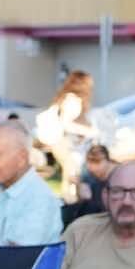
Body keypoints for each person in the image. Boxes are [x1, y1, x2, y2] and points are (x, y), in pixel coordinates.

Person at [34, 70, 97, 198]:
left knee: (73, 171)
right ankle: (70, 199)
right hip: (61, 142)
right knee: (72, 170)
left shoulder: (67, 97)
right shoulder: (72, 99)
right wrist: (89, 132)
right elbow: (66, 123)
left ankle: (72, 198)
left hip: (62, 142)